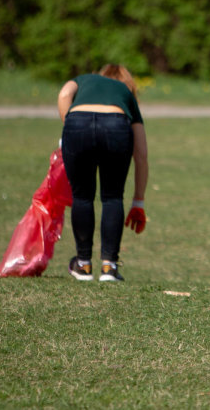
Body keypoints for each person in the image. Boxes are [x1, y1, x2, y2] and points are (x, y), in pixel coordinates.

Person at [57, 64, 149, 282]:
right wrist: (139, 201)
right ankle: (109, 267)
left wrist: (70, 127)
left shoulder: (84, 79)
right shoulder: (125, 93)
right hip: (116, 125)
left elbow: (64, 94)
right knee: (113, 196)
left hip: (77, 122)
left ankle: (83, 265)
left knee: (82, 196)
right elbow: (142, 155)